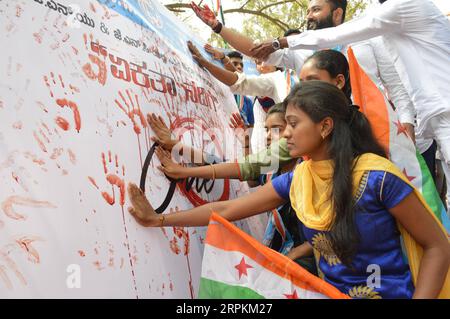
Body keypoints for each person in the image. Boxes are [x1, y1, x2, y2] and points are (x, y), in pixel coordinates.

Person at [128, 81, 450, 299]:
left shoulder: (378, 177)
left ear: (325, 127)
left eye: (293, 125)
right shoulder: (299, 177)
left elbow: (438, 246)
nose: (285, 136)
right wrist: (161, 220)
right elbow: (225, 210)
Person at [253, 0, 450, 172]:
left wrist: (280, 42)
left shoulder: (404, 6)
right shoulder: (387, 12)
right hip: (436, 118)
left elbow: (342, 33)